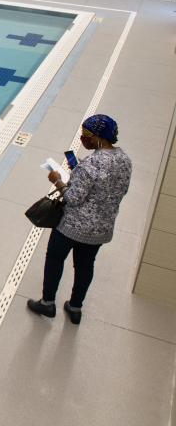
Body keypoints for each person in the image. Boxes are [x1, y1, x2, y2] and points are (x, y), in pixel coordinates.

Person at [27, 114, 132, 324]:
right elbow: (117, 189)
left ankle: (48, 304)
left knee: (55, 260)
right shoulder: (124, 160)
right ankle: (75, 308)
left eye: (87, 135)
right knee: (85, 267)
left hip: (72, 227)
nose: (83, 138)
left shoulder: (91, 163)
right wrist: (79, 174)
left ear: (99, 137)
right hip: (101, 229)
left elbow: (73, 198)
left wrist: (58, 181)